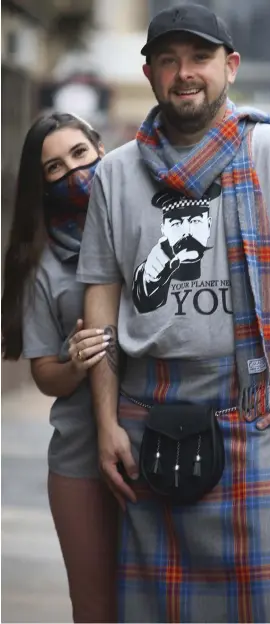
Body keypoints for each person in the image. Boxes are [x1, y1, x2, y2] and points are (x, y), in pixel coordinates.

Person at [77, 4, 270, 623]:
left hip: (258, 413)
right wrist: (105, 422)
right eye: (170, 60)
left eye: (200, 58)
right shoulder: (116, 173)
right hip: (145, 417)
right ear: (149, 71)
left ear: (229, 67)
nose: (186, 74)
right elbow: (99, 297)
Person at [2, 112, 118, 623]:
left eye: (79, 155)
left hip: (161, 446)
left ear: (99, 150)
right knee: (94, 608)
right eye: (54, 167)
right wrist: (75, 362)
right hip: (80, 460)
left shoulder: (141, 229)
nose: (73, 172)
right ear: (40, 183)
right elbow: (44, 374)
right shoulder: (40, 265)